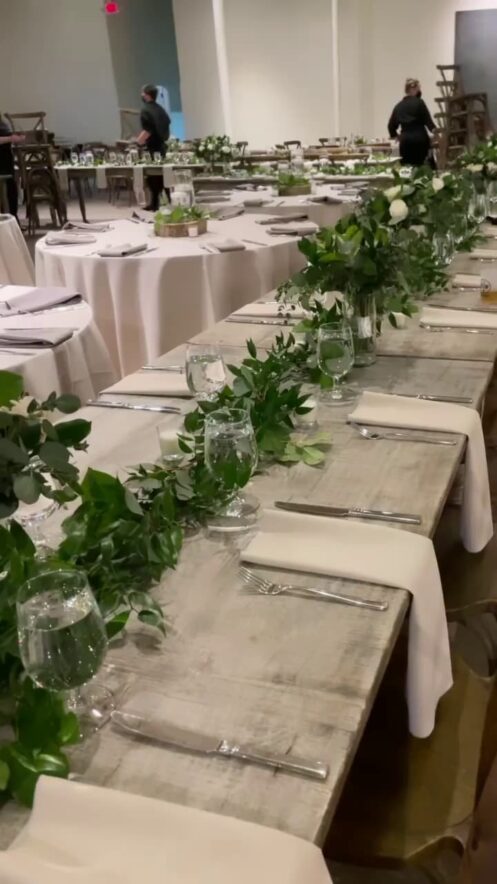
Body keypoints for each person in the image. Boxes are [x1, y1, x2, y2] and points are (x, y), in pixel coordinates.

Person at [134, 84, 171, 211]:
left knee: (153, 177)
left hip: (152, 148)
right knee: (164, 175)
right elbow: (167, 125)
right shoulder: (161, 109)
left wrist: (137, 142)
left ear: (147, 95)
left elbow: (148, 130)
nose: (141, 95)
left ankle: (155, 204)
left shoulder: (146, 110)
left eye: (142, 93)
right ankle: (166, 202)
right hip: (162, 147)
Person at [388, 78, 436, 167]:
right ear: (413, 89)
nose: (419, 91)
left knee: (407, 168)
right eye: (418, 88)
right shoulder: (419, 103)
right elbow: (428, 122)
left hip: (406, 141)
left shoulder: (399, 106)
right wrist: (436, 133)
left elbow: (391, 126)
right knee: (422, 168)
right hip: (420, 139)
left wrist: (396, 136)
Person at [0, 115, 25, 217]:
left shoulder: (3, 124)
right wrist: (11, 138)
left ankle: (13, 219)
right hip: (1, 165)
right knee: (6, 193)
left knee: (12, 192)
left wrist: (17, 138)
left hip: (6, 163)